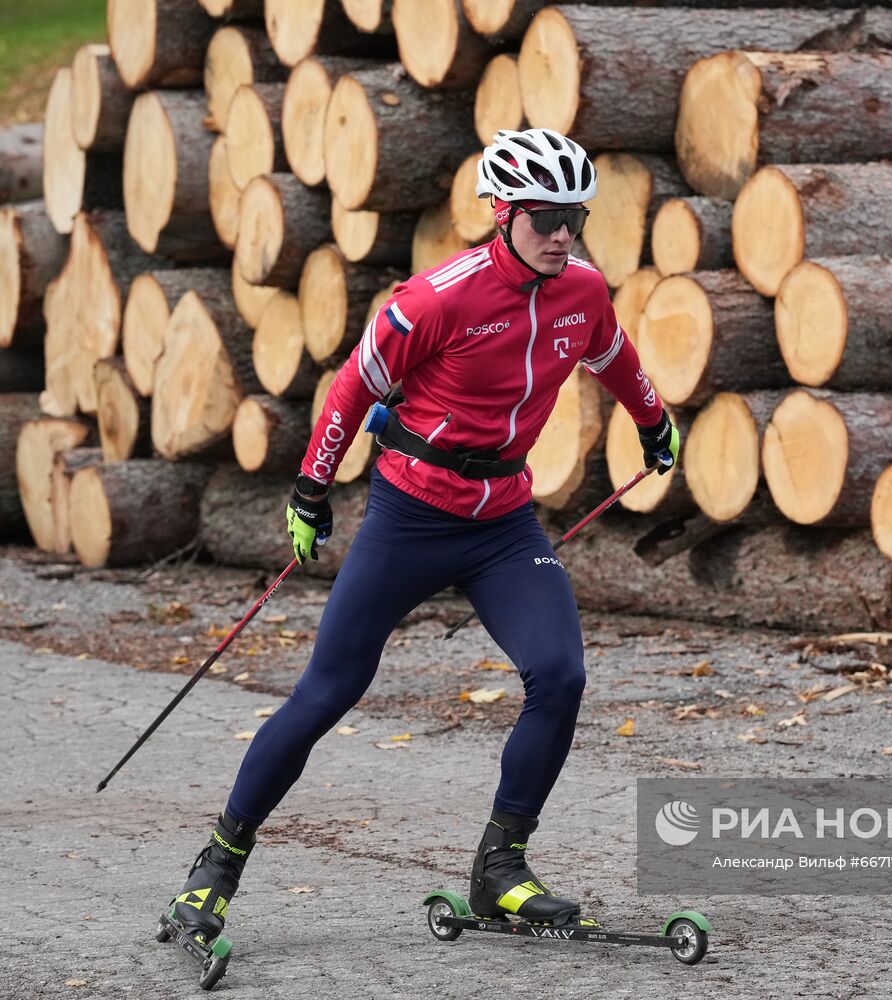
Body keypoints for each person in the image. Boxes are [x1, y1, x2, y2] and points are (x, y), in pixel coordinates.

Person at [166, 127, 681, 942]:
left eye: (575, 216)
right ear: (503, 210)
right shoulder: (435, 299)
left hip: (504, 521)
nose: (562, 233)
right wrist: (308, 492)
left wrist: (654, 420)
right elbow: (348, 392)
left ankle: (500, 869)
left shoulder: (580, 288)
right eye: (546, 215)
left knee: (560, 673)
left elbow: (611, 352)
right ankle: (216, 866)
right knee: (328, 691)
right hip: (410, 518)